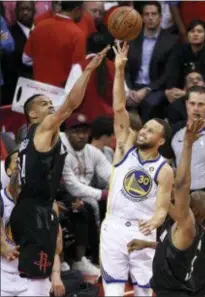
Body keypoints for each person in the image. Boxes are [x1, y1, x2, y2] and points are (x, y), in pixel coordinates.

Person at [9, 46, 110, 295]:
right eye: (44, 103)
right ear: (32, 114)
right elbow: (71, 104)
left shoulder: (24, 134)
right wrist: (88, 70)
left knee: (25, 273)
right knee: (37, 282)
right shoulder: (42, 128)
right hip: (35, 212)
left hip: (32, 206)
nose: (50, 106)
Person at [100, 42, 174, 297]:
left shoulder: (164, 169)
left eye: (151, 131)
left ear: (161, 141)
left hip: (142, 229)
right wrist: (119, 70)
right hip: (114, 227)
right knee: (113, 290)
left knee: (144, 291)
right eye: (145, 128)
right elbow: (119, 108)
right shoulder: (125, 146)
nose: (143, 131)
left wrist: (155, 220)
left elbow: (163, 208)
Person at [128, 119, 205, 297]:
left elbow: (181, 185)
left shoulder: (187, 224)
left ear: (195, 211)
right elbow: (169, 246)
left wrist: (188, 144)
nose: (189, 195)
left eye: (192, 197)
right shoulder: (183, 228)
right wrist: (146, 244)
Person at [1, 151, 65, 296]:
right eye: (19, 163)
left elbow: (56, 245)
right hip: (3, 274)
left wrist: (55, 274)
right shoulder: (1, 199)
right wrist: (4, 246)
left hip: (35, 276)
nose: (24, 166)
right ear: (9, 170)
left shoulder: (47, 203)